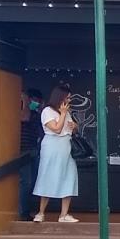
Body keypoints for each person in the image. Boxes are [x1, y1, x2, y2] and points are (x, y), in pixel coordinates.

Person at [32, 84, 79, 223]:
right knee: (48, 175)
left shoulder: (67, 112)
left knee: (69, 176)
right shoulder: (47, 111)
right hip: (52, 146)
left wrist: (75, 126)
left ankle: (64, 215)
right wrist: (63, 114)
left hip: (66, 147)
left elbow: (70, 129)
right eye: (67, 97)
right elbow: (56, 129)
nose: (69, 101)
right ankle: (41, 213)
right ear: (60, 97)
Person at [18, 87, 44, 221]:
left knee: (32, 182)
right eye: (34, 100)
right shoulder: (20, 111)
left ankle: (26, 210)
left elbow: (41, 132)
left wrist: (40, 111)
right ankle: (22, 212)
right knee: (26, 182)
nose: (36, 103)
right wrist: (25, 101)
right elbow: (25, 118)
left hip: (33, 151)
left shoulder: (36, 114)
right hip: (22, 152)